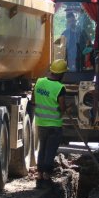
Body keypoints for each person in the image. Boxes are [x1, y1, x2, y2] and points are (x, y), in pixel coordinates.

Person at [33, 59, 69, 188]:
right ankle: (47, 177)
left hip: (41, 123)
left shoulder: (39, 82)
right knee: (50, 151)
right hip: (54, 125)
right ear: (61, 74)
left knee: (42, 149)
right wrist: (66, 108)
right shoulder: (60, 88)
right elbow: (62, 106)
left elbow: (34, 99)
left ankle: (40, 175)